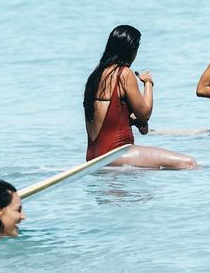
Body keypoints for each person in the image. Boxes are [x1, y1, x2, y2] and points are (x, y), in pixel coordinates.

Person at [84, 25, 196, 169]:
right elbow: (145, 114)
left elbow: (106, 116)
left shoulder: (94, 76)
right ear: (130, 49)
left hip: (93, 156)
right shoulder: (123, 73)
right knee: (189, 163)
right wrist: (148, 83)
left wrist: (130, 121)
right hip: (116, 153)